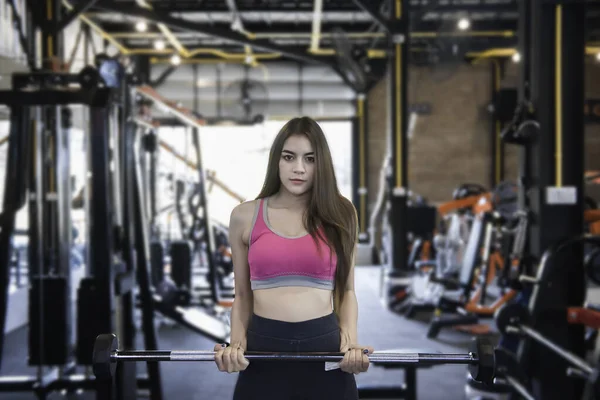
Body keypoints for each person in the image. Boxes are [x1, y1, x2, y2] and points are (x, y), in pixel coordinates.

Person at [213, 116, 374, 399]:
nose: (298, 168)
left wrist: (350, 342)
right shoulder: (244, 216)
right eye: (289, 157)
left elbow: (347, 290)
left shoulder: (341, 213)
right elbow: (241, 293)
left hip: (323, 341)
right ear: (277, 160)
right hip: (263, 343)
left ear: (321, 164)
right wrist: (236, 345)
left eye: (310, 159)